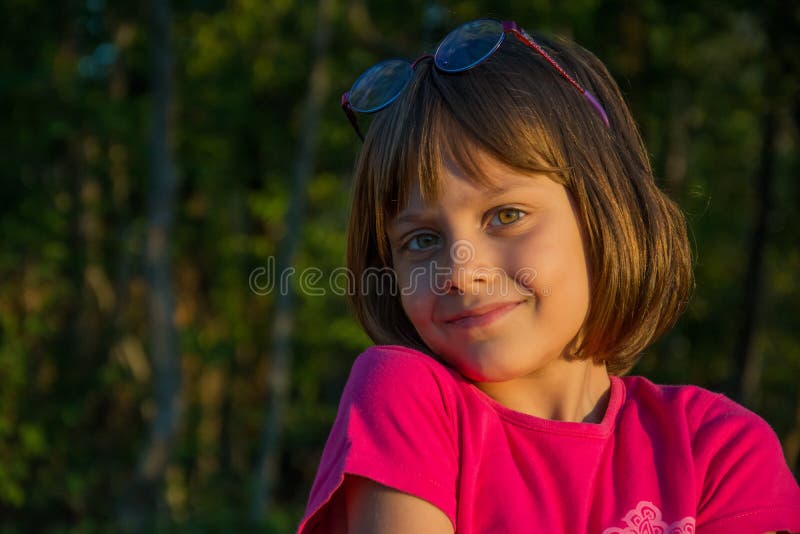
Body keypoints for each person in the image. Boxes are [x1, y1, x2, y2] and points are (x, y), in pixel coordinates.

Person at [297, 18, 800, 533]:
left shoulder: (717, 449)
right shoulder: (401, 398)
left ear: (603, 210)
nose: (461, 272)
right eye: (422, 241)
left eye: (506, 215)